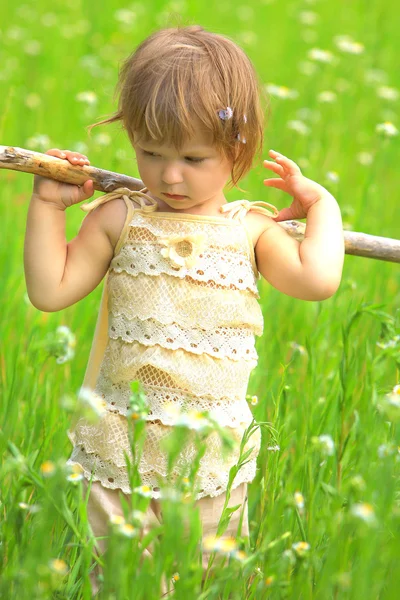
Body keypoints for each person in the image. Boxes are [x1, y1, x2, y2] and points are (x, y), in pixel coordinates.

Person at [24, 24, 344, 597]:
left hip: (211, 459)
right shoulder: (121, 219)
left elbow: (317, 280)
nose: (170, 175)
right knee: (112, 579)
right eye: (150, 153)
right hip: (118, 447)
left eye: (194, 158)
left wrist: (322, 207)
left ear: (238, 149)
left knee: (205, 577)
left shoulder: (251, 230)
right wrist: (49, 205)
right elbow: (50, 291)